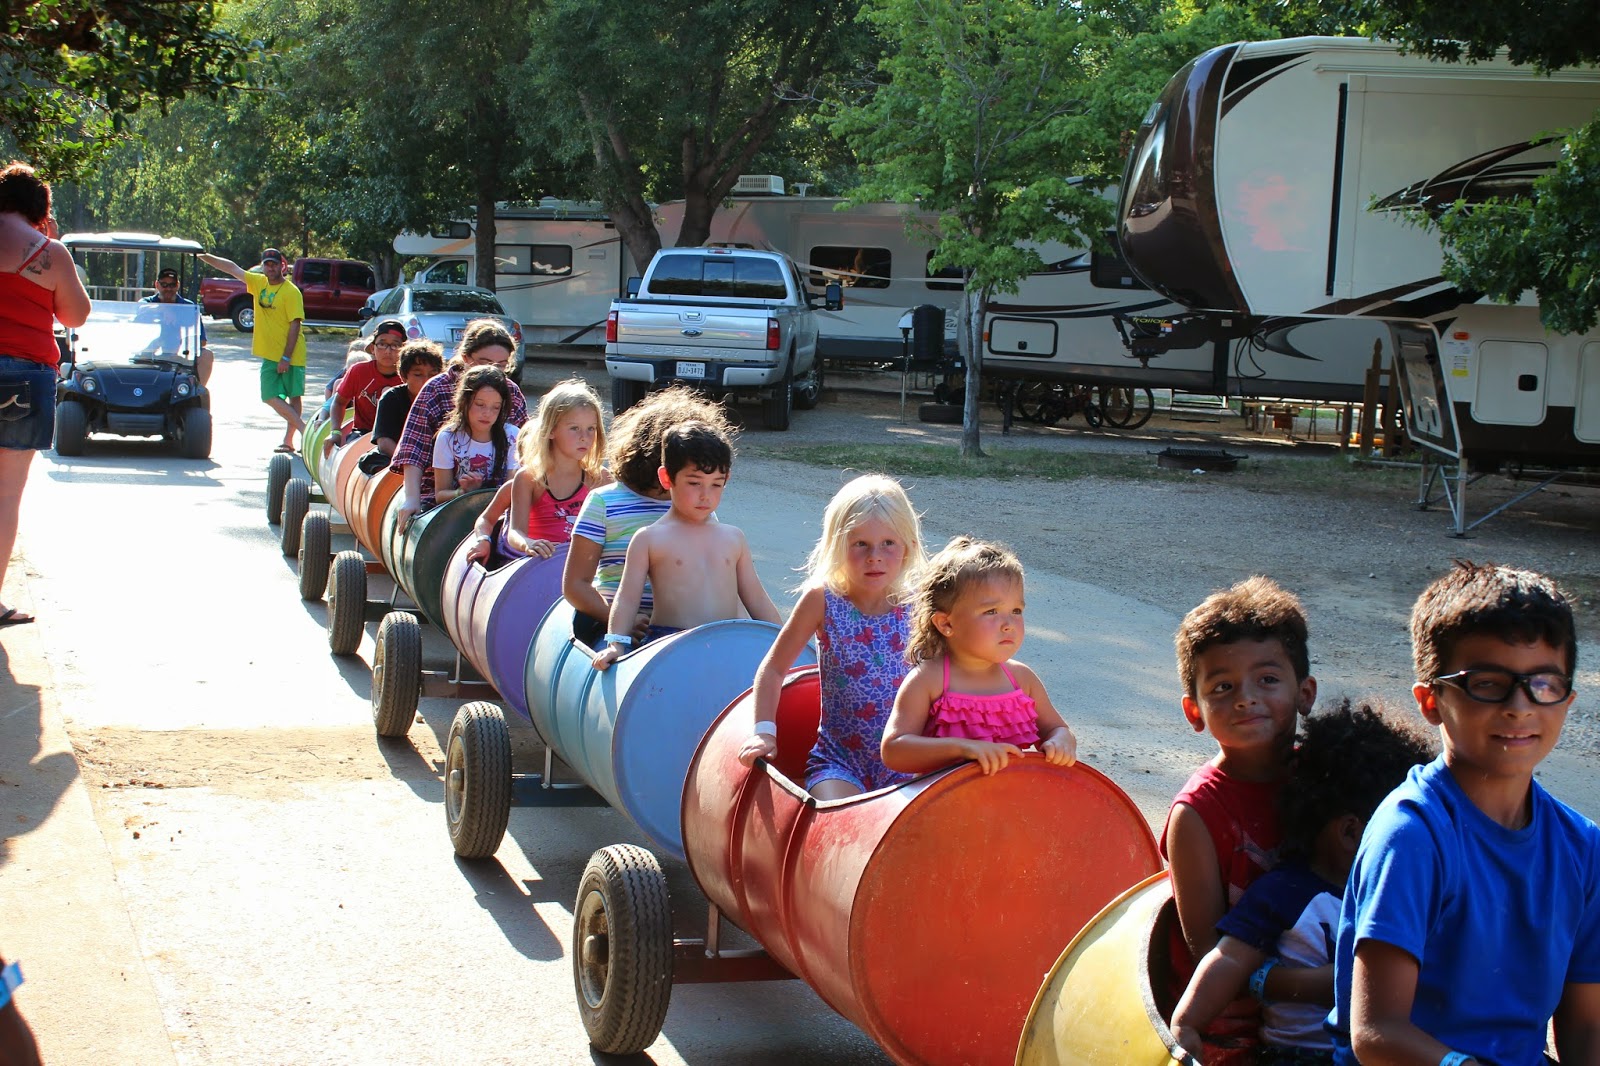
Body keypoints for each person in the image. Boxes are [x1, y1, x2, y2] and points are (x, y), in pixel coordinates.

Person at [1330, 562, 1600, 1066]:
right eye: (1487, 683)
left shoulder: (1584, 849)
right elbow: (1376, 1034)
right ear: (1431, 701)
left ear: (1568, 699)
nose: (1520, 707)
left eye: (1543, 683)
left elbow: (1585, 1026)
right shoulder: (1413, 834)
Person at [1170, 698, 1436, 1064]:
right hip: (1296, 1055)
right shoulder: (1285, 891)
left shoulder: (1399, 893)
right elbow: (1229, 958)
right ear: (1350, 832)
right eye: (1402, 834)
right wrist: (1188, 1022)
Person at [1160, 576, 1318, 1066]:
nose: (1246, 698)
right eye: (1223, 687)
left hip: (1334, 1014)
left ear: (1305, 693)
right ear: (1195, 711)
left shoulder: (1333, 778)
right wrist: (1330, 984)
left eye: (1268, 680)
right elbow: (1210, 951)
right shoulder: (1197, 814)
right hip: (1234, 1029)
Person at [737, 474, 927, 799]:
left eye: (888, 543)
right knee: (837, 822)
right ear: (838, 545)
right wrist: (764, 733)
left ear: (908, 546)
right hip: (840, 762)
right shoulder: (823, 600)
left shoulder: (921, 605)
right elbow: (772, 670)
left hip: (907, 760)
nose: (874, 556)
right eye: (860, 544)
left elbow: (952, 675)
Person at [591, 419, 780, 669]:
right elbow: (627, 598)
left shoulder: (733, 537)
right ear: (667, 477)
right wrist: (616, 643)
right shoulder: (649, 538)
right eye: (694, 483)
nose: (706, 495)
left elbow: (756, 597)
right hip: (667, 646)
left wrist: (785, 639)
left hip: (726, 643)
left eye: (716, 484)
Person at [880, 536, 1077, 776]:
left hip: (1014, 804)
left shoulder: (1022, 680)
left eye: (1016, 610)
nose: (1008, 624)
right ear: (946, 623)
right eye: (991, 611)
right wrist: (961, 749)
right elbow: (893, 750)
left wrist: (1061, 740)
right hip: (944, 806)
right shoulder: (928, 680)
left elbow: (1056, 728)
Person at [562, 386, 728, 647]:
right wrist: (621, 621)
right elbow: (575, 585)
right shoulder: (604, 502)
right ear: (658, 457)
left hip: (681, 631)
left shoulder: (695, 505)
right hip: (610, 627)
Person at [0, 161, 90, 628]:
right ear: (40, 210)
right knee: (5, 495)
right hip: (24, 376)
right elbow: (75, 316)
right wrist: (48, 238)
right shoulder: (49, 252)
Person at [390, 319, 527, 525]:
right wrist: (411, 498)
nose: (494, 370)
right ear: (465, 357)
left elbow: (525, 452)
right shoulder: (437, 388)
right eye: (485, 362)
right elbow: (414, 447)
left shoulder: (512, 393)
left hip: (499, 494)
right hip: (439, 492)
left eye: (501, 365)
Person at [466, 378, 610, 565]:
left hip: (581, 568)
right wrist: (527, 543)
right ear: (550, 430)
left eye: (591, 429)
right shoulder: (529, 478)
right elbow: (515, 532)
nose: (585, 437)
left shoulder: (601, 478)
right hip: (537, 566)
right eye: (574, 428)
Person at [197, 247, 307, 452]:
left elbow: (295, 325)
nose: (271, 267)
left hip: (291, 353)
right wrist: (202, 255)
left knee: (294, 395)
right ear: (263, 266)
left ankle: (289, 440)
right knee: (268, 396)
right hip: (269, 354)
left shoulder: (291, 292)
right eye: (267, 264)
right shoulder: (258, 283)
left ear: (282, 265)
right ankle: (304, 428)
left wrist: (286, 356)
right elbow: (231, 267)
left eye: (274, 263)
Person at [430, 365, 518, 504]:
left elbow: (513, 490)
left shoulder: (512, 436)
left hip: (500, 510)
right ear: (464, 401)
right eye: (479, 404)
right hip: (459, 510)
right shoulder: (448, 437)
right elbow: (440, 495)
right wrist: (464, 492)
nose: (487, 413)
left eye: (495, 407)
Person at [330, 320, 402, 443]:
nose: (388, 351)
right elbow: (339, 402)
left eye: (395, 345)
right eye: (382, 344)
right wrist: (336, 432)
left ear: (403, 350)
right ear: (373, 348)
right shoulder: (358, 371)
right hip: (362, 434)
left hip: (399, 436)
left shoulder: (410, 375)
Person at [370, 340, 443, 460]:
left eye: (432, 375)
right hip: (399, 458)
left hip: (437, 461)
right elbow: (384, 441)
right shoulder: (391, 398)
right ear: (403, 376)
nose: (427, 381)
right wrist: (409, 461)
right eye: (418, 375)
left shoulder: (446, 398)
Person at [142, 266, 213, 386]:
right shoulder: (147, 303)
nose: (168, 289)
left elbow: (202, 341)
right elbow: (141, 309)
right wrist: (164, 310)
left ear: (178, 285)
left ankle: (196, 391)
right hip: (152, 352)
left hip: (179, 354)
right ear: (157, 285)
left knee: (207, 355)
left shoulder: (188, 307)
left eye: (172, 285)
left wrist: (182, 341)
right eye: (164, 285)